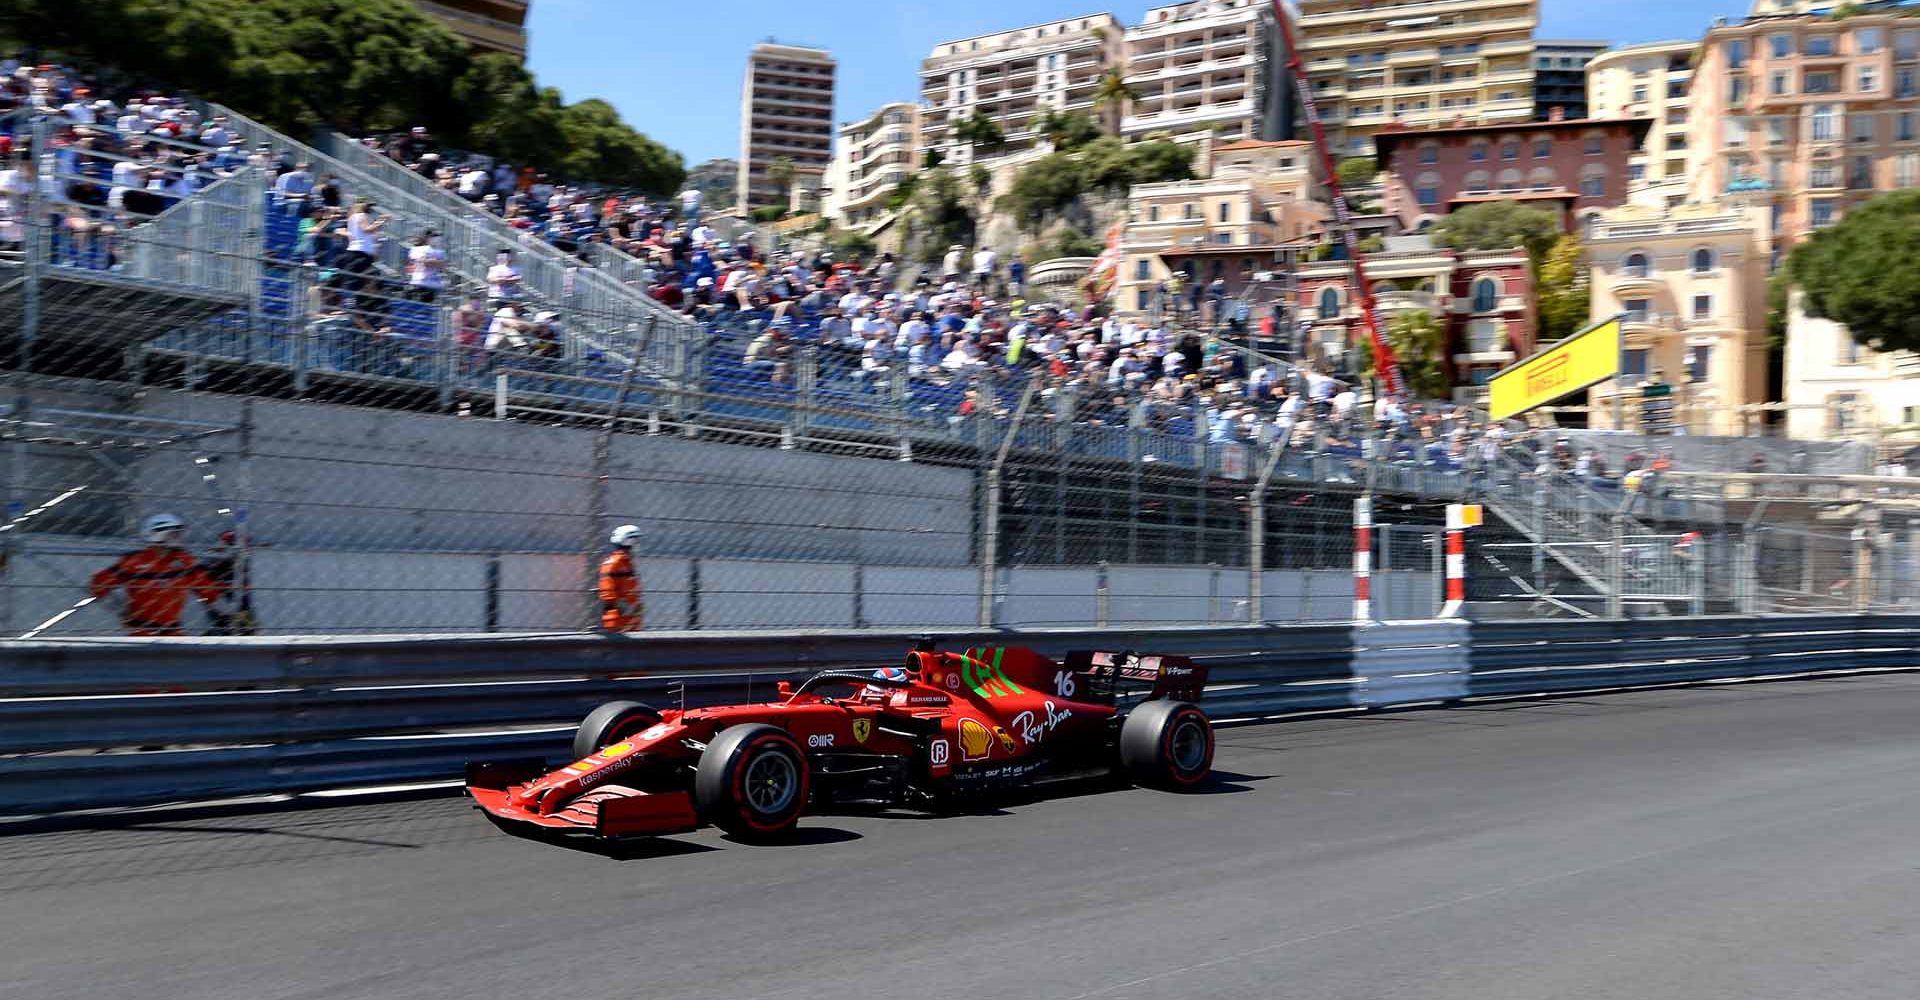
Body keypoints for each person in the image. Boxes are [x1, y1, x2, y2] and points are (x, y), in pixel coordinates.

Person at [88, 513, 225, 637]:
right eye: (172, 534)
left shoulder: (184, 561)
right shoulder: (135, 561)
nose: (178, 537)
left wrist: (231, 613)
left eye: (178, 533)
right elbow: (98, 585)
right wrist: (120, 609)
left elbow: (209, 591)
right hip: (139, 631)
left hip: (172, 631)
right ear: (156, 534)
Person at [599, 524, 644, 632]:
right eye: (635, 541)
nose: (637, 544)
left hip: (630, 621)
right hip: (618, 623)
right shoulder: (615, 563)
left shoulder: (626, 563)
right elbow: (608, 594)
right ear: (627, 541)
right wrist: (626, 609)